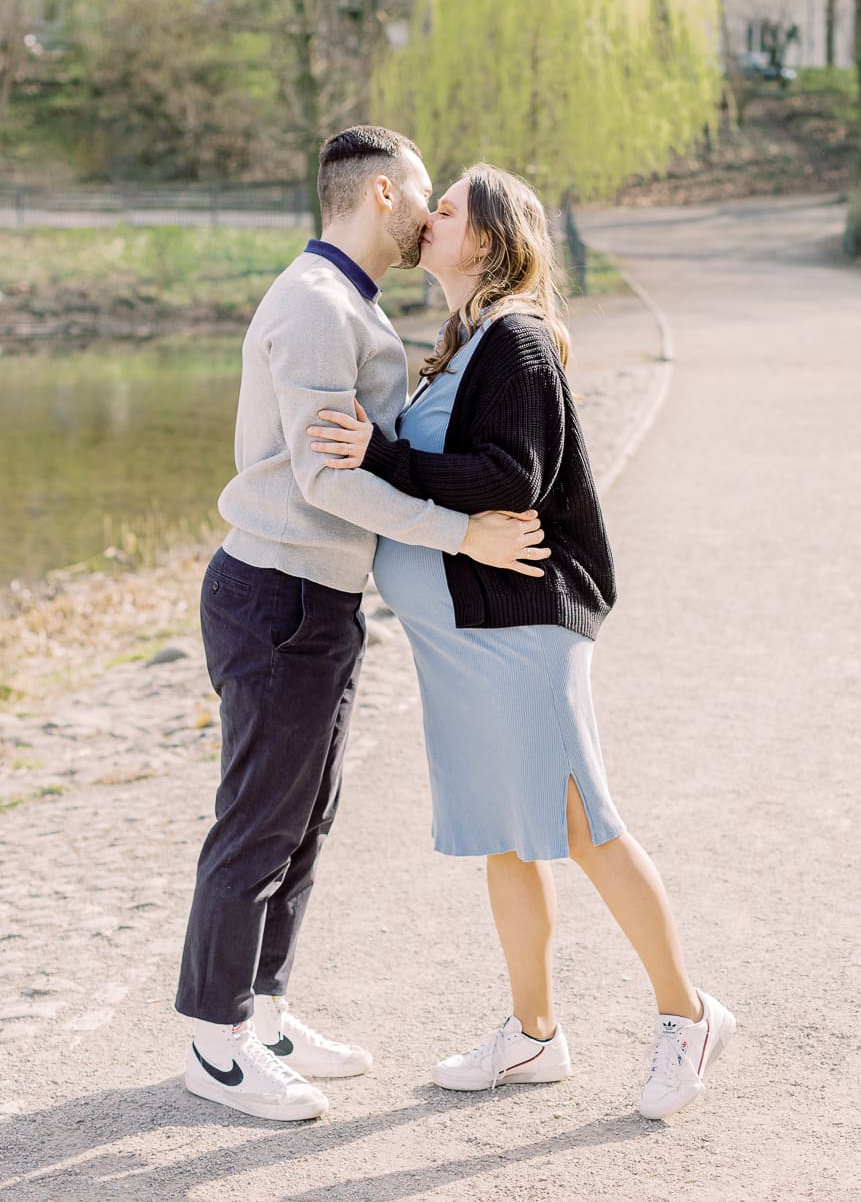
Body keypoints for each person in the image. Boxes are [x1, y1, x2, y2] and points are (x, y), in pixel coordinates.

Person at [308, 162, 734, 1121]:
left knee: (583, 820)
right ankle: (533, 1034)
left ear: (490, 242)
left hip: (521, 631)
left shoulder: (519, 341)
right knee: (508, 832)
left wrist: (379, 453)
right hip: (464, 637)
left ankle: (688, 1013)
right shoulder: (467, 344)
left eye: (448, 208)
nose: (429, 218)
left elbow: (511, 474)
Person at [176, 128, 550, 1122]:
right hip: (277, 591)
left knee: (304, 823)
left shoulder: (350, 305)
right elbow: (324, 476)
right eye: (424, 197)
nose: (433, 217)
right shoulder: (312, 306)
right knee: (259, 823)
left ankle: (263, 1010)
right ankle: (215, 1045)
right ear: (382, 195)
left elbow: (369, 452)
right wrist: (460, 534)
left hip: (318, 599)